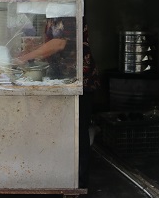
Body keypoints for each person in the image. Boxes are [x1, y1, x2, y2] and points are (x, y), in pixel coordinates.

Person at [17, 19, 100, 189]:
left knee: (77, 131)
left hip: (79, 80)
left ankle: (78, 182)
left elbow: (58, 44)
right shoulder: (53, 17)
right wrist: (31, 50)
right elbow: (49, 43)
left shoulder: (68, 13)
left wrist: (26, 57)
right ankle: (58, 176)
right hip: (63, 78)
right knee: (60, 129)